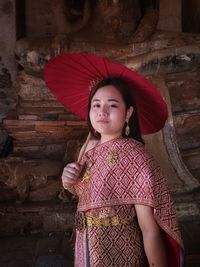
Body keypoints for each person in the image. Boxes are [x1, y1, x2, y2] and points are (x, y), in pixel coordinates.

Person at [44, 53, 184, 267]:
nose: (102, 111)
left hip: (120, 252)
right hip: (86, 247)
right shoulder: (88, 148)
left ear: (128, 113)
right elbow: (86, 192)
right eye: (96, 105)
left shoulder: (135, 156)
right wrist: (67, 179)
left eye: (113, 105)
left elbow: (149, 229)